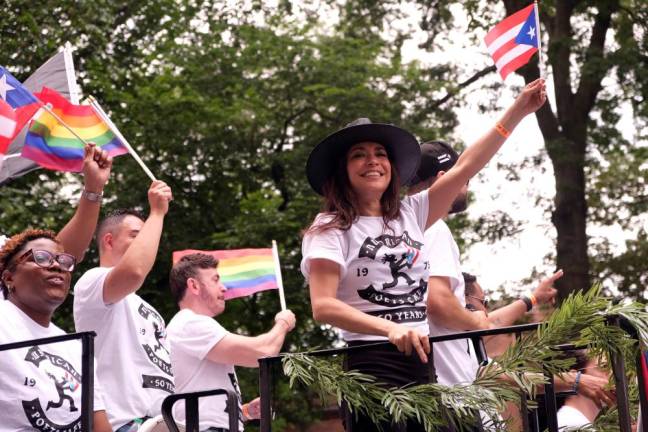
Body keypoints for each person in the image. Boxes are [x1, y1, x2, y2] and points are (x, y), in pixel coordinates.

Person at [301, 79, 547, 431]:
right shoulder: (330, 226)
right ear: (343, 170)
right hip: (373, 371)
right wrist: (389, 329)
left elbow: (466, 167)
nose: (372, 161)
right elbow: (323, 306)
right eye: (359, 155)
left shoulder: (410, 213)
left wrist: (519, 110)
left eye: (380, 154)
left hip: (424, 367)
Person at [407, 140, 560, 387]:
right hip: (451, 390)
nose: (467, 186)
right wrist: (476, 321)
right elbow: (438, 302)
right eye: (465, 178)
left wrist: (531, 299)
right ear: (445, 177)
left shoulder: (401, 230)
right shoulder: (434, 229)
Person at [73, 180, 174, 431]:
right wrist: (157, 213)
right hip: (124, 423)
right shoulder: (92, 281)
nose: (146, 242)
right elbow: (134, 272)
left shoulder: (150, 311)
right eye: (135, 235)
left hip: (165, 422)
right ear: (109, 241)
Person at [167, 253, 295, 431]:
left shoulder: (190, 326)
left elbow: (204, 407)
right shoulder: (190, 323)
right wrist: (283, 323)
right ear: (194, 285)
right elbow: (263, 352)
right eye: (215, 280)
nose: (224, 288)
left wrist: (245, 411)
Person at [463, 281, 616, 430]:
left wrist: (533, 298)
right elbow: (504, 376)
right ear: (462, 299)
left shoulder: (466, 347)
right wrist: (575, 380)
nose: (486, 312)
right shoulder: (571, 422)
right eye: (484, 302)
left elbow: (490, 324)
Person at [0, 229, 111, 432]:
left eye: (64, 261)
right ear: (9, 278)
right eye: (41, 258)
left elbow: (98, 425)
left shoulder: (76, 348)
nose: (57, 265)